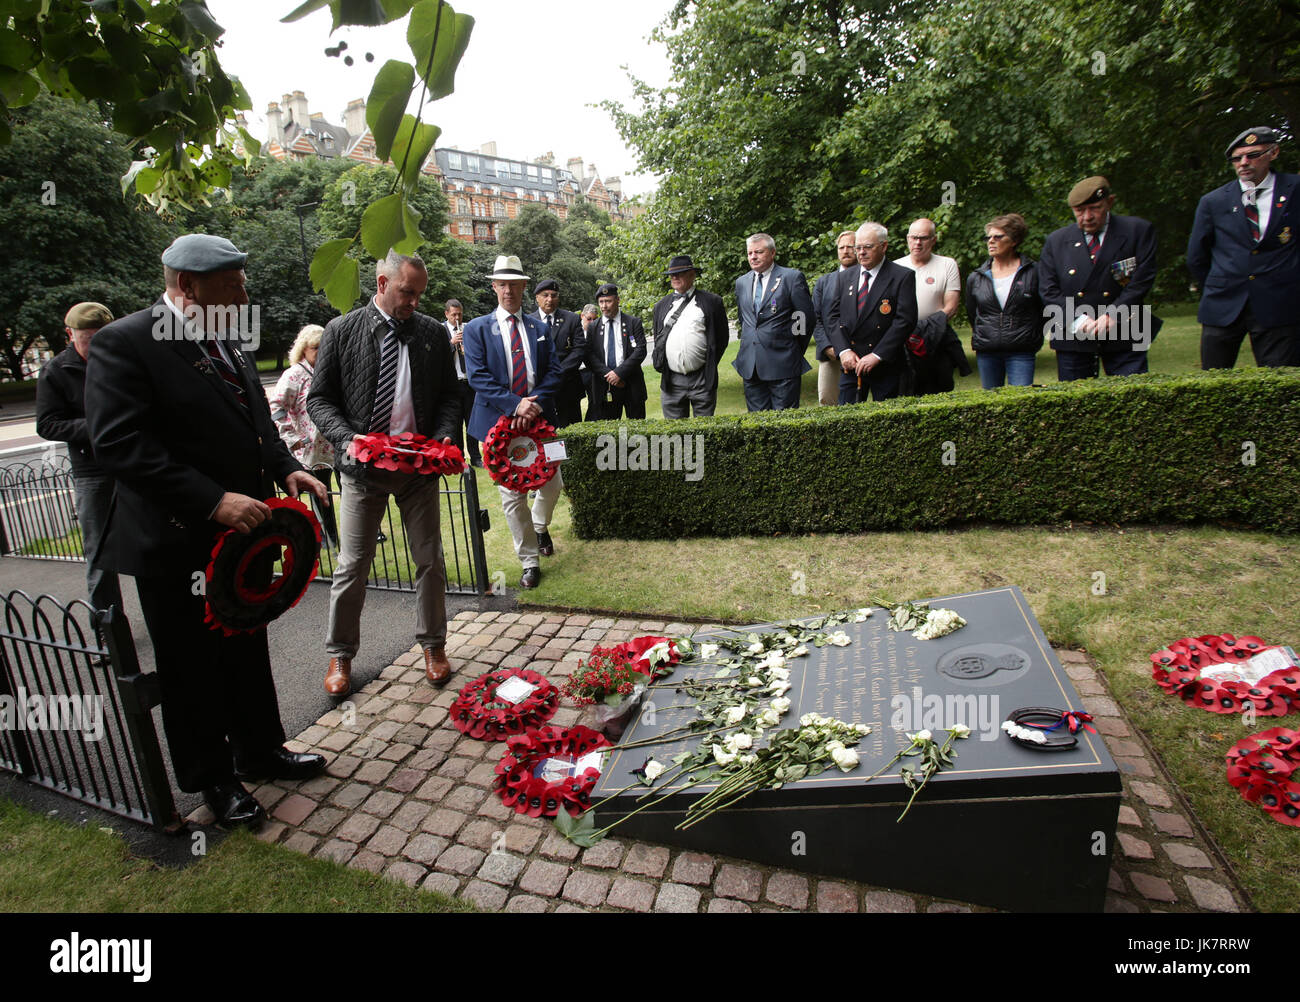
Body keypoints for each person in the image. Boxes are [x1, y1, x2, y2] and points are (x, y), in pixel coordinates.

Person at [84, 233, 327, 828]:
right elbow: (120, 445)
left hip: (242, 535)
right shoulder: (126, 342)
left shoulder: (228, 337)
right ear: (187, 286)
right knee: (191, 665)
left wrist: (286, 467)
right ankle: (212, 781)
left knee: (245, 646)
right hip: (176, 540)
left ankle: (259, 750)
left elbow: (255, 422)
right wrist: (213, 500)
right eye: (232, 283)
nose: (244, 292)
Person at [308, 251, 461, 698]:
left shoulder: (432, 333)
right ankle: (340, 655)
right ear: (381, 283)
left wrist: (446, 436)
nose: (414, 301)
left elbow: (450, 397)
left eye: (419, 294)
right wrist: (347, 440)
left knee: (429, 560)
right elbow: (319, 400)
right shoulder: (341, 331)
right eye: (407, 292)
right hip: (363, 469)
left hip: (418, 469)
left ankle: (434, 646)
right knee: (353, 565)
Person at [463, 255, 566, 590]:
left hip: (541, 419)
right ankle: (529, 561)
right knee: (512, 495)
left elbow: (555, 371)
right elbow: (478, 378)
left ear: (524, 286)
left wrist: (532, 404)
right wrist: (515, 405)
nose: (508, 290)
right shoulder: (476, 329)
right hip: (499, 424)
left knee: (554, 483)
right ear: (494, 286)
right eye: (502, 284)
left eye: (514, 284)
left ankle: (539, 526)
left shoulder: (539, 327)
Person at [35, 302, 123, 615]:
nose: (95, 345)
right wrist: (97, 426)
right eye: (87, 339)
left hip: (132, 463)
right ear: (70, 334)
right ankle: (108, 629)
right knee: (100, 555)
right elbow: (47, 423)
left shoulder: (121, 360)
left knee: (152, 545)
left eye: (101, 337)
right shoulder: (57, 370)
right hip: (93, 471)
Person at [1188, 126, 1300, 369]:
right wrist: (1219, 283)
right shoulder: (1214, 201)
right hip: (1223, 302)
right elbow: (1197, 255)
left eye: (1253, 155)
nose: (1244, 163)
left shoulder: (1295, 189)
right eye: (1237, 158)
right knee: (1213, 384)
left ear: (1274, 152)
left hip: (1280, 302)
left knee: (1279, 384)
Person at [1038, 176, 1159, 380]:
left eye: (1094, 208)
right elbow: (1047, 289)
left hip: (1127, 328)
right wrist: (1077, 318)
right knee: (1075, 403)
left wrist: (1114, 314)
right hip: (1072, 333)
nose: (1087, 217)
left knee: (1133, 398)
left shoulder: (1138, 231)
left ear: (1109, 202)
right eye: (1079, 211)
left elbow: (1142, 280)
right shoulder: (1056, 241)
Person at [826, 222, 918, 402]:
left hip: (885, 363)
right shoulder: (844, 277)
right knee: (847, 420)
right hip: (850, 364)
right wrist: (843, 350)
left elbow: (905, 320)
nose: (861, 252)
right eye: (858, 247)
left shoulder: (901, 276)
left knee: (886, 421)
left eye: (867, 247)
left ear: (884, 246)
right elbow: (832, 317)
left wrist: (877, 355)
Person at [269, 324, 339, 547]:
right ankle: (328, 539)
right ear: (303, 349)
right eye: (315, 347)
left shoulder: (329, 370)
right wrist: (291, 437)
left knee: (351, 491)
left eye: (324, 346)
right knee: (321, 496)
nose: (321, 351)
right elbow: (276, 408)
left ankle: (352, 536)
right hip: (310, 450)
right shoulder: (294, 375)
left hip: (336, 445)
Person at [732, 233, 814, 410]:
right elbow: (745, 319)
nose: (753, 257)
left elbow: (804, 319)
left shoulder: (791, 278)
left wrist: (792, 348)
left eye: (759, 252)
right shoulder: (742, 282)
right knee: (757, 427)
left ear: (772, 252)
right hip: (750, 366)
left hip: (783, 364)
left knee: (784, 425)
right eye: (750, 253)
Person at [965, 214, 1044, 388]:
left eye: (998, 237)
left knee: (1021, 402)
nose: (991, 241)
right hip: (987, 349)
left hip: (1022, 349)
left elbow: (1041, 310)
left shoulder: (1033, 272)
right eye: (989, 237)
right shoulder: (976, 277)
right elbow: (973, 313)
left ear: (1014, 240)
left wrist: (1032, 336)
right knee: (990, 404)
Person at [651, 255, 729, 418]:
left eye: (679, 273)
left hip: (702, 379)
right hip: (671, 381)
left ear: (692, 274)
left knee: (704, 433)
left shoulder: (712, 302)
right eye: (672, 275)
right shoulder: (660, 306)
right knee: (675, 436)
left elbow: (721, 339)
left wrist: (708, 365)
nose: (674, 277)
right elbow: (659, 341)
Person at [584, 283, 647, 420]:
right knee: (608, 435)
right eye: (601, 302)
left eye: (608, 301)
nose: (604, 306)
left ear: (618, 300)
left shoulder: (633, 323)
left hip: (631, 384)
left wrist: (619, 373)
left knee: (638, 431)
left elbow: (640, 351)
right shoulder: (593, 327)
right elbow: (589, 355)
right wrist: (609, 375)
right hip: (604, 386)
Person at [530, 278, 587, 427]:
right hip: (539, 388)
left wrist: (557, 372)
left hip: (567, 385)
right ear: (537, 298)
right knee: (543, 432)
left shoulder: (572, 319)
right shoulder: (528, 322)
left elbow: (579, 349)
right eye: (545, 295)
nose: (550, 299)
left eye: (554, 295)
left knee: (571, 432)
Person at [810, 231, 857, 406]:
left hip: (861, 352)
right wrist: (828, 347)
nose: (845, 251)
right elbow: (815, 317)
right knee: (827, 401)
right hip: (831, 354)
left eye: (850, 247)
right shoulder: (824, 282)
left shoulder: (867, 279)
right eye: (841, 247)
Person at [443, 298, 481, 466]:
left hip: (469, 383)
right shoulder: (441, 330)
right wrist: (452, 344)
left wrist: (468, 347)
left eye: (459, 314)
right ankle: (459, 457)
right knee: (456, 422)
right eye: (453, 315)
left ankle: (476, 457)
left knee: (472, 421)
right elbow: (438, 356)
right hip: (452, 384)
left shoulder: (468, 329)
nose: (457, 318)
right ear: (446, 314)